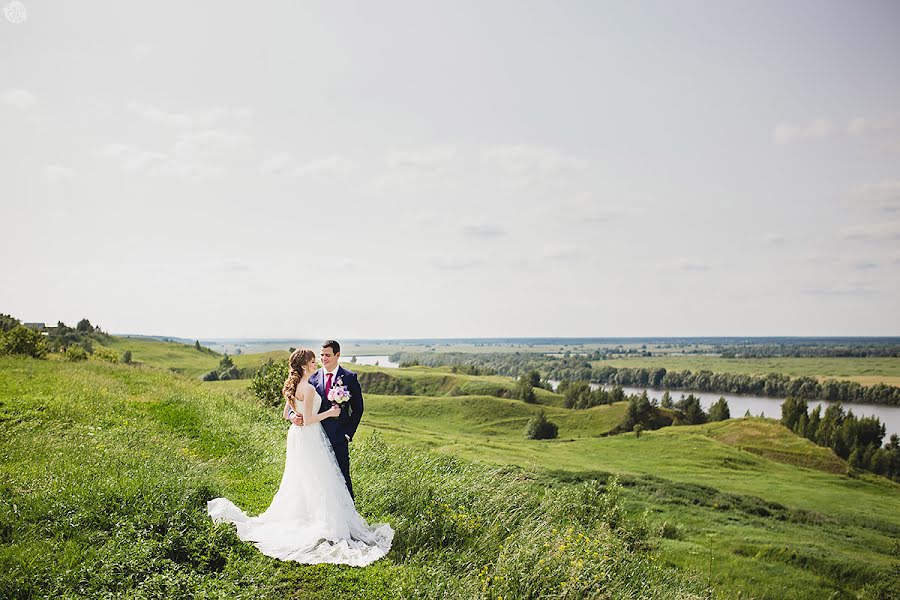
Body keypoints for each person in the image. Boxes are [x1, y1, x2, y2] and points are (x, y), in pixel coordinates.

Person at [207, 348, 392, 566]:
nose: (317, 364)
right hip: (311, 437)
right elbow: (311, 419)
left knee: (300, 477)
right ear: (305, 365)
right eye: (314, 361)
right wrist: (330, 413)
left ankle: (305, 514)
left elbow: (287, 414)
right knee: (320, 478)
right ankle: (320, 518)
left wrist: (295, 417)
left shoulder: (294, 385)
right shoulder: (310, 388)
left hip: (297, 437)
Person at [306, 340, 364, 497]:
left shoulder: (350, 378)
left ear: (338, 355)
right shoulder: (313, 378)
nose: (324, 359)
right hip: (316, 436)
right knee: (318, 477)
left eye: (328, 355)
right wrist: (292, 416)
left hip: (339, 437)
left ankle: (350, 516)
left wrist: (348, 433)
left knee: (343, 477)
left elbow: (358, 409)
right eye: (322, 355)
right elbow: (298, 403)